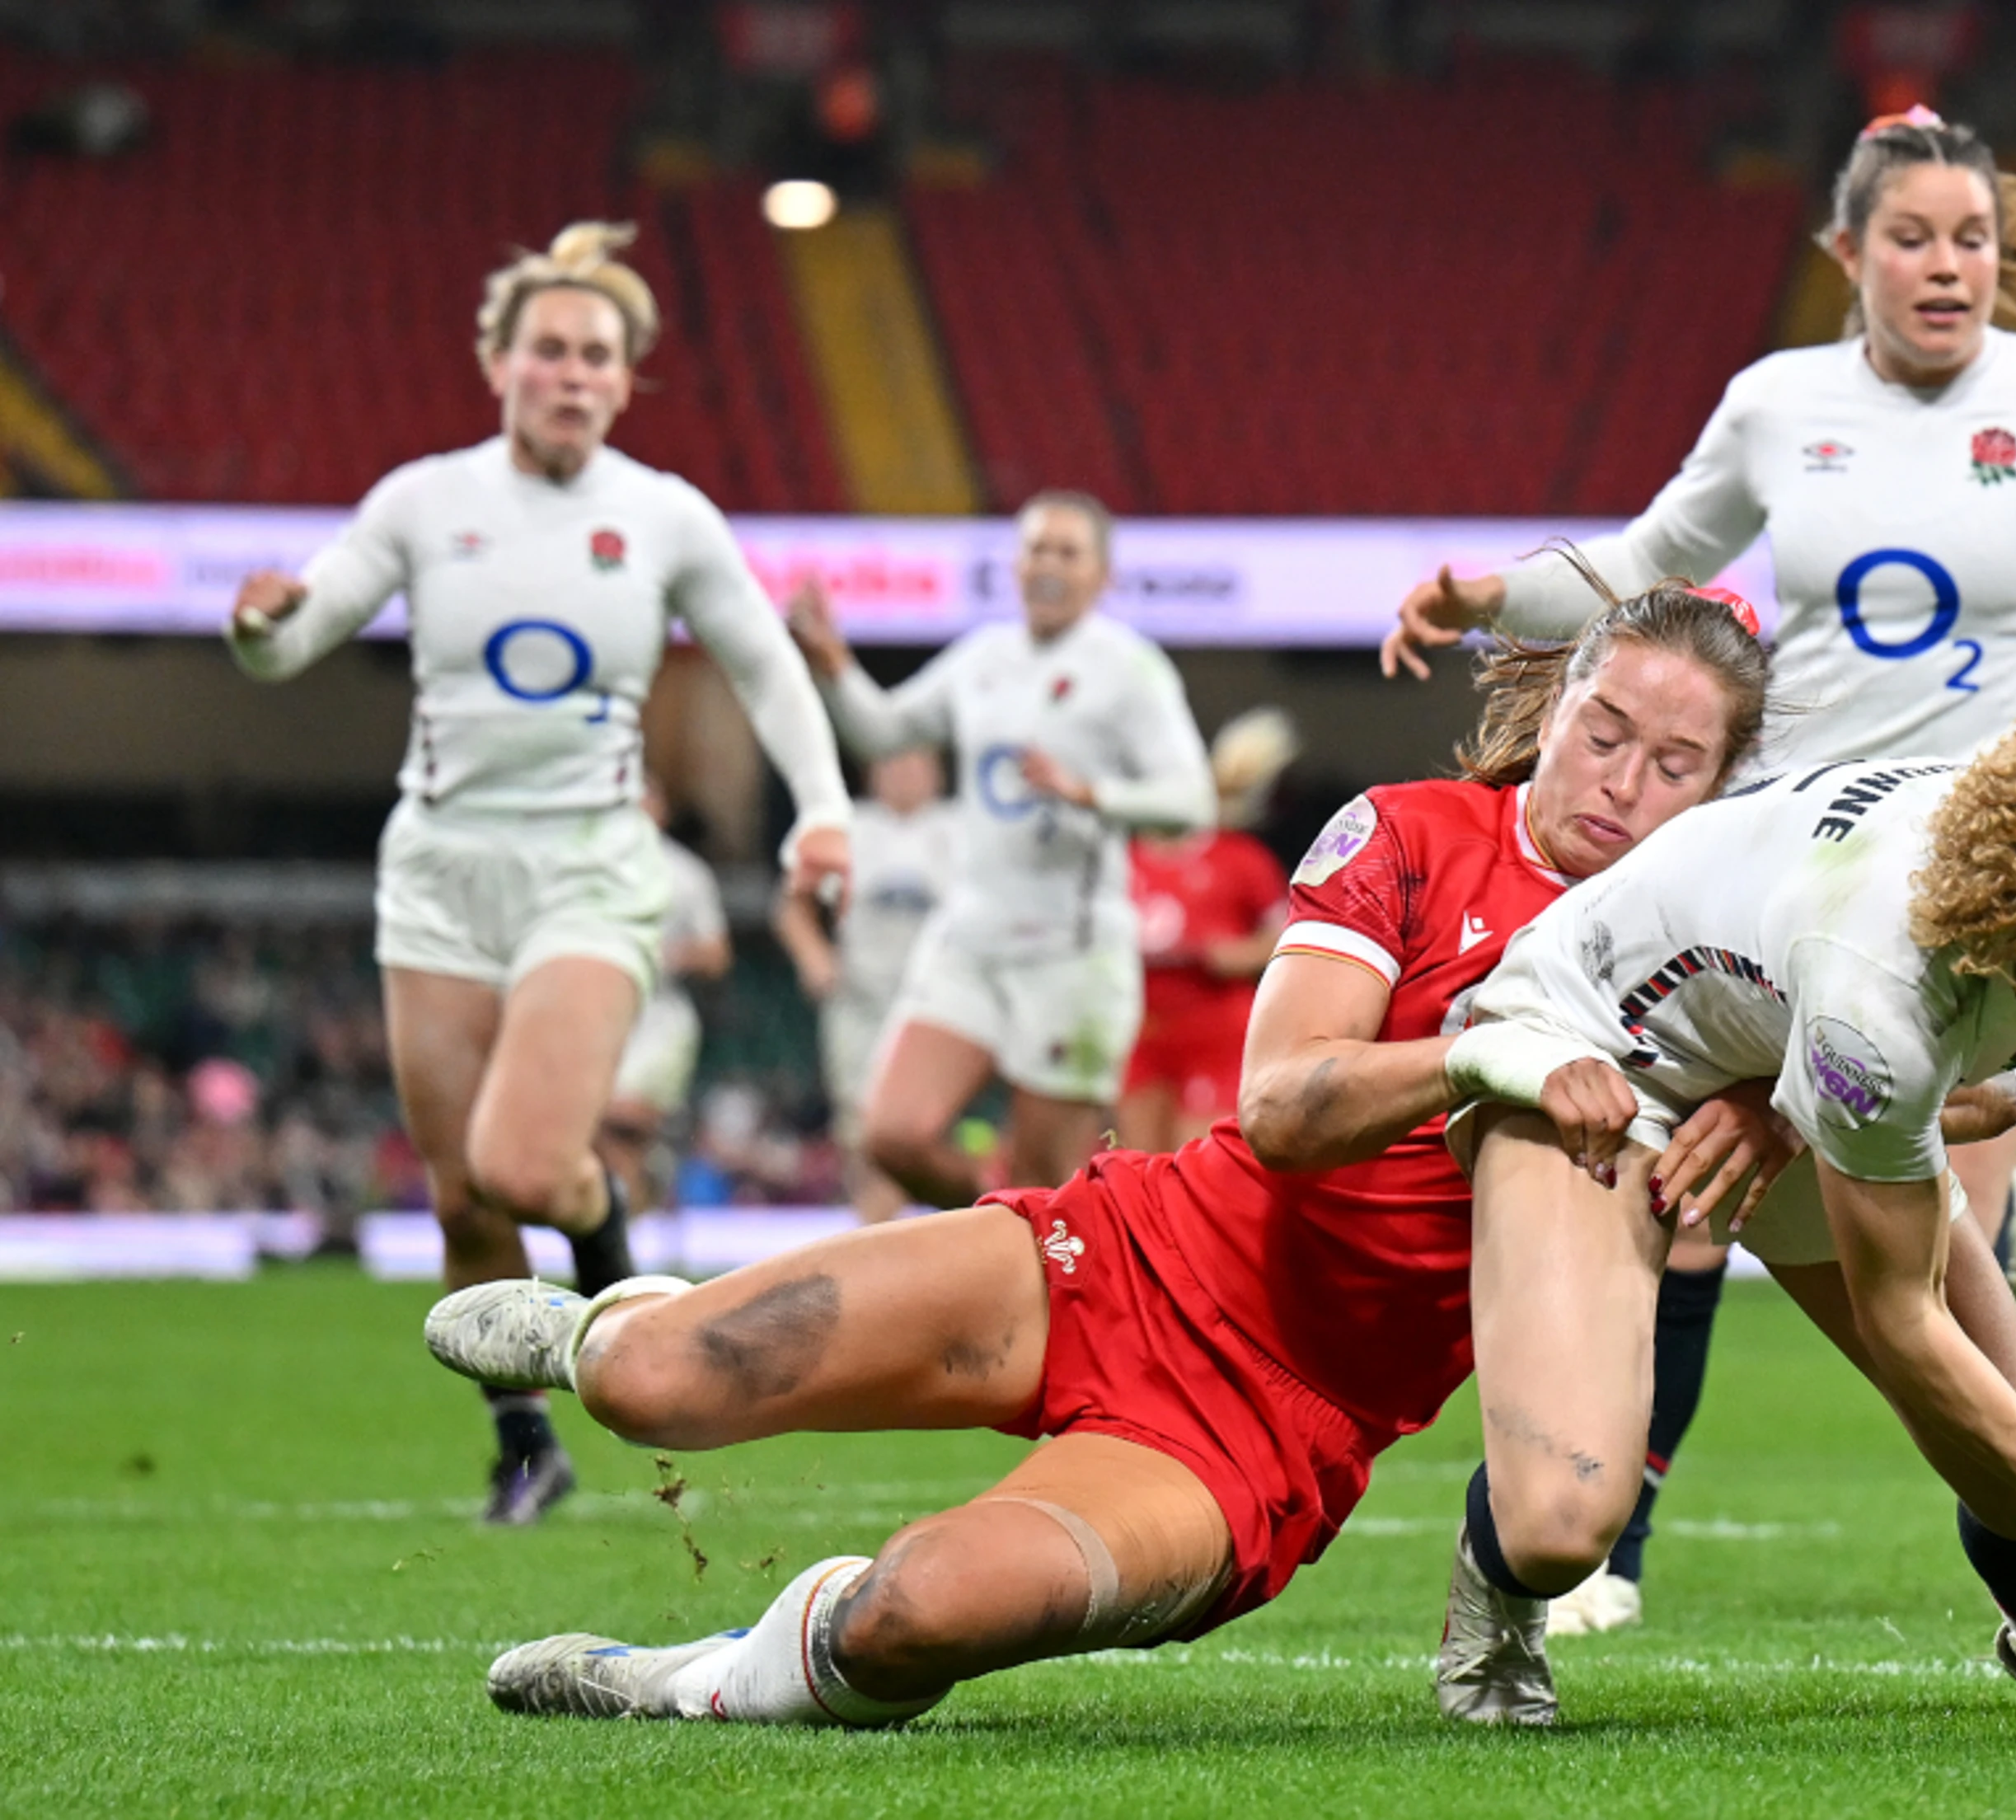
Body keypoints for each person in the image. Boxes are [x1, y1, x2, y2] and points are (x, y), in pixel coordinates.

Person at [420, 584, 1777, 1727]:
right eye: (1606, 732)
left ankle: (678, 1679)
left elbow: (1947, 1077)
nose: (1625, 783)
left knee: (914, 1612)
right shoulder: (1411, 833)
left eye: (1677, 763)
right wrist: (1482, 1056)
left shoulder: (1710, 964)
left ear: (1723, 790)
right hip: (1125, 1255)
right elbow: (1286, 1108)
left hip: (1267, 1435)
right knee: (655, 1383)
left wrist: (1777, 1104)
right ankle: (606, 1328)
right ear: (1556, 707)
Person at [1383, 105, 2016, 1634]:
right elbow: (1654, 552)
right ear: (1846, 255)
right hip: (1791, 879)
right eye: (1911, 239)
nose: (1946, 266)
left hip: (1997, 904)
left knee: (1954, 1312)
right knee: (1711, 1193)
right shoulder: (1780, 402)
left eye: (1971, 239)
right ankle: (1614, 1540)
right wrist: (1487, 592)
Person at [1433, 686, 2016, 1737]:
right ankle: (1497, 1603)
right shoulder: (1888, 983)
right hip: (1596, 1045)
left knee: (2014, 1474)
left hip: (1783, 1047)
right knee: (1564, 1521)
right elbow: (1901, 1318)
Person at [224, 221, 851, 1524]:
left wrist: (823, 812)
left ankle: (616, 1272)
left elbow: (765, 666)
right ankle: (526, 1445)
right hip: (442, 869)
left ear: (626, 384)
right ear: (499, 363)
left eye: (597, 357)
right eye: (549, 350)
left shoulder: (664, 515)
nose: (571, 373)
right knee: (460, 1195)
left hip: (589, 866)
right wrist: (259, 629)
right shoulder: (423, 501)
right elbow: (300, 638)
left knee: (524, 1164)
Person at [785, 493, 1213, 1207]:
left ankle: (1022, 1249)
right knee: (890, 1134)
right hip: (971, 940)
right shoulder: (984, 656)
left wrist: (1091, 794)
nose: (1047, 565)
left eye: (1067, 552)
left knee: (1044, 1180)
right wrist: (833, 666)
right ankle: (996, 1219)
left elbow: (1191, 803)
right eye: (1036, 549)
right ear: (1014, 566)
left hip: (1069, 957)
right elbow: (884, 732)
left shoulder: (1130, 670)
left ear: (1102, 574)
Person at [774, 747, 959, 1225]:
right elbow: (793, 904)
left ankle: (918, 1230)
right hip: (862, 1000)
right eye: (892, 762)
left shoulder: (963, 829)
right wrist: (815, 957)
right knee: (860, 1127)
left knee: (922, 1126)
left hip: (937, 1003)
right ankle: (878, 1229)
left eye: (914, 763)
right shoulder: (850, 829)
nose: (903, 774)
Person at [1119, 708, 1301, 1153]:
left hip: (1214, 1033)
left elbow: (1294, 934)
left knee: (1195, 1161)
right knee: (1137, 1166)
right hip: (1139, 1035)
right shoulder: (1122, 864)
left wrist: (1243, 953)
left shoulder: (1239, 858)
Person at [597, 789, 733, 1217]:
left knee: (623, 1119)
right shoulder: (589, 865)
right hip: (600, 1014)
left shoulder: (685, 873)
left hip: (659, 1016)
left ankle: (643, 1181)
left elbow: (716, 954)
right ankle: (641, 1189)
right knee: (598, 1133)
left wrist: (672, 956)